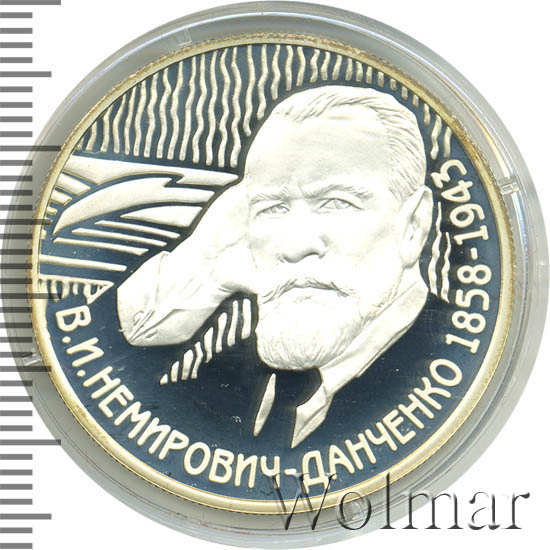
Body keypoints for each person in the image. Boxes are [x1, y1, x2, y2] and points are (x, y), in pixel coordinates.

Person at [117, 85, 433, 447]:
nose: (295, 246)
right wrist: (207, 256)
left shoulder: (439, 365)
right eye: (273, 208)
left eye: (336, 203)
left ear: (414, 225)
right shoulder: (221, 384)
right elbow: (117, 355)